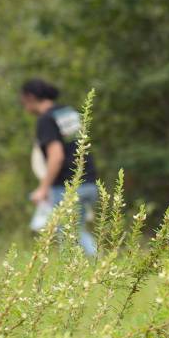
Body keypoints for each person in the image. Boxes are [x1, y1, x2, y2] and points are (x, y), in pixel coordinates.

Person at [20, 78, 101, 257]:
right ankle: (98, 267)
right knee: (76, 230)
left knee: (69, 235)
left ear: (30, 97)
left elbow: (56, 157)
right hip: (89, 182)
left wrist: (43, 188)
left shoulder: (46, 119)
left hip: (68, 186)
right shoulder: (68, 113)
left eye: (23, 101)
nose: (23, 106)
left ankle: (97, 268)